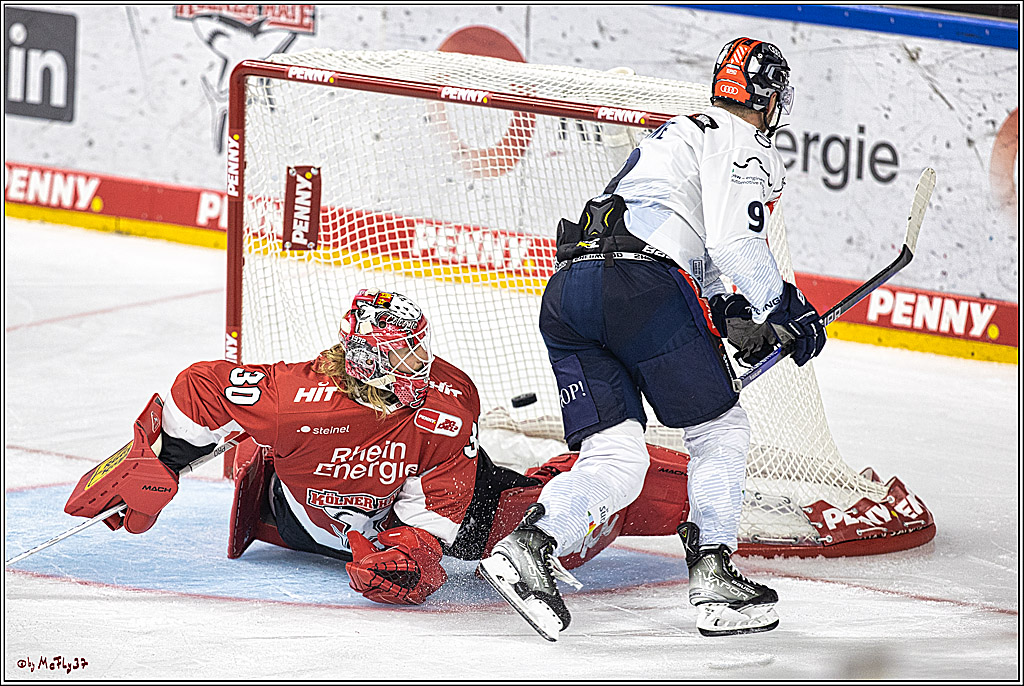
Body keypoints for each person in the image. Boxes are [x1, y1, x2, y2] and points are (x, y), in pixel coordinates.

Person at [478, 37, 826, 639]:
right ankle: (715, 574)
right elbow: (735, 243)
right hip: (642, 290)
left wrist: (735, 312)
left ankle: (532, 544)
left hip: (570, 294)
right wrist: (785, 307)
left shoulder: (675, 133)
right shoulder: (741, 141)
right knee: (720, 429)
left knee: (617, 458)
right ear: (768, 95)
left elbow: (694, 246)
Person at [64, 287, 695, 607]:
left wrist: (416, 547)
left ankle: (677, 496)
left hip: (402, 512)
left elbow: (444, 498)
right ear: (363, 358)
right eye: (399, 355)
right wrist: (155, 460)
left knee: (549, 530)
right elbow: (199, 386)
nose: (417, 366)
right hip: (297, 518)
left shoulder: (448, 401)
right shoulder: (293, 398)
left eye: (417, 348)